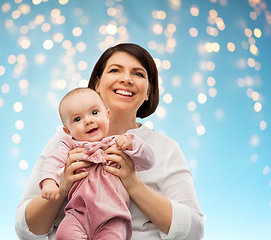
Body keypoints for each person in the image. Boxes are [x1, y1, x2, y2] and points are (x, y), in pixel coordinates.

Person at [15, 43, 204, 240]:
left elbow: (193, 232)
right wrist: (62, 188)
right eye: (115, 70)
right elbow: (25, 229)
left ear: (148, 92)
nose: (126, 79)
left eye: (138, 74)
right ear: (97, 84)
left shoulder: (165, 148)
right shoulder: (64, 143)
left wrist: (134, 184)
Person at [40, 87, 155, 239]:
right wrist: (49, 182)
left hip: (113, 217)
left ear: (107, 116)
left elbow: (148, 162)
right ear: (68, 131)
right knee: (64, 234)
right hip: (77, 215)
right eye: (77, 119)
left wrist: (132, 145)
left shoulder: (118, 142)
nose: (88, 121)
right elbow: (53, 161)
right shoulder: (69, 146)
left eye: (94, 113)